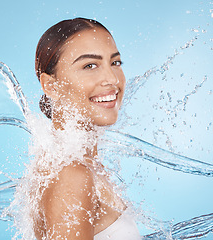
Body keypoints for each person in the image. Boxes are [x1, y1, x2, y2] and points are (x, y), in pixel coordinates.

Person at [18, 17, 141, 240]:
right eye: (90, 65)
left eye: (115, 63)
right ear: (51, 85)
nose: (112, 79)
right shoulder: (72, 174)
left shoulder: (73, 164)